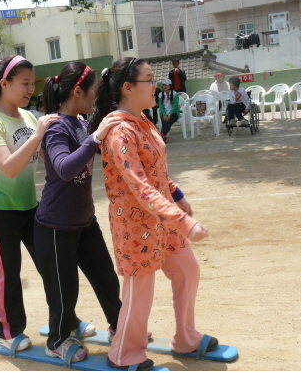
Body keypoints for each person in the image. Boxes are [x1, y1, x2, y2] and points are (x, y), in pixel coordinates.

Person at [91, 57, 217, 371]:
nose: (156, 86)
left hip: (164, 217)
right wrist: (183, 221)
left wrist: (178, 195)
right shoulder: (120, 132)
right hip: (136, 224)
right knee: (140, 290)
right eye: (149, 79)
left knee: (187, 270)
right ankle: (124, 354)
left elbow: (156, 172)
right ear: (128, 88)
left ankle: (186, 337)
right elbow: (138, 184)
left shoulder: (144, 121)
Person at [34, 62, 122, 363]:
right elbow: (64, 167)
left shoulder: (80, 121)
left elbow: (97, 148)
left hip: (84, 221)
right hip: (56, 225)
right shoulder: (57, 126)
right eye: (92, 91)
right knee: (64, 292)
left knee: (106, 279)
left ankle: (119, 326)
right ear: (76, 90)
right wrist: (94, 138)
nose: (94, 97)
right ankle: (57, 340)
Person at [0, 54, 59, 353]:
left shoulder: (27, 117)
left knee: (50, 263)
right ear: (4, 83)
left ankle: (64, 320)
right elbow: (8, 167)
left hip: (29, 205)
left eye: (31, 84)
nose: (29, 90)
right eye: (24, 83)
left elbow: (44, 157)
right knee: (7, 271)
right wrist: (37, 134)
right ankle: (7, 331)